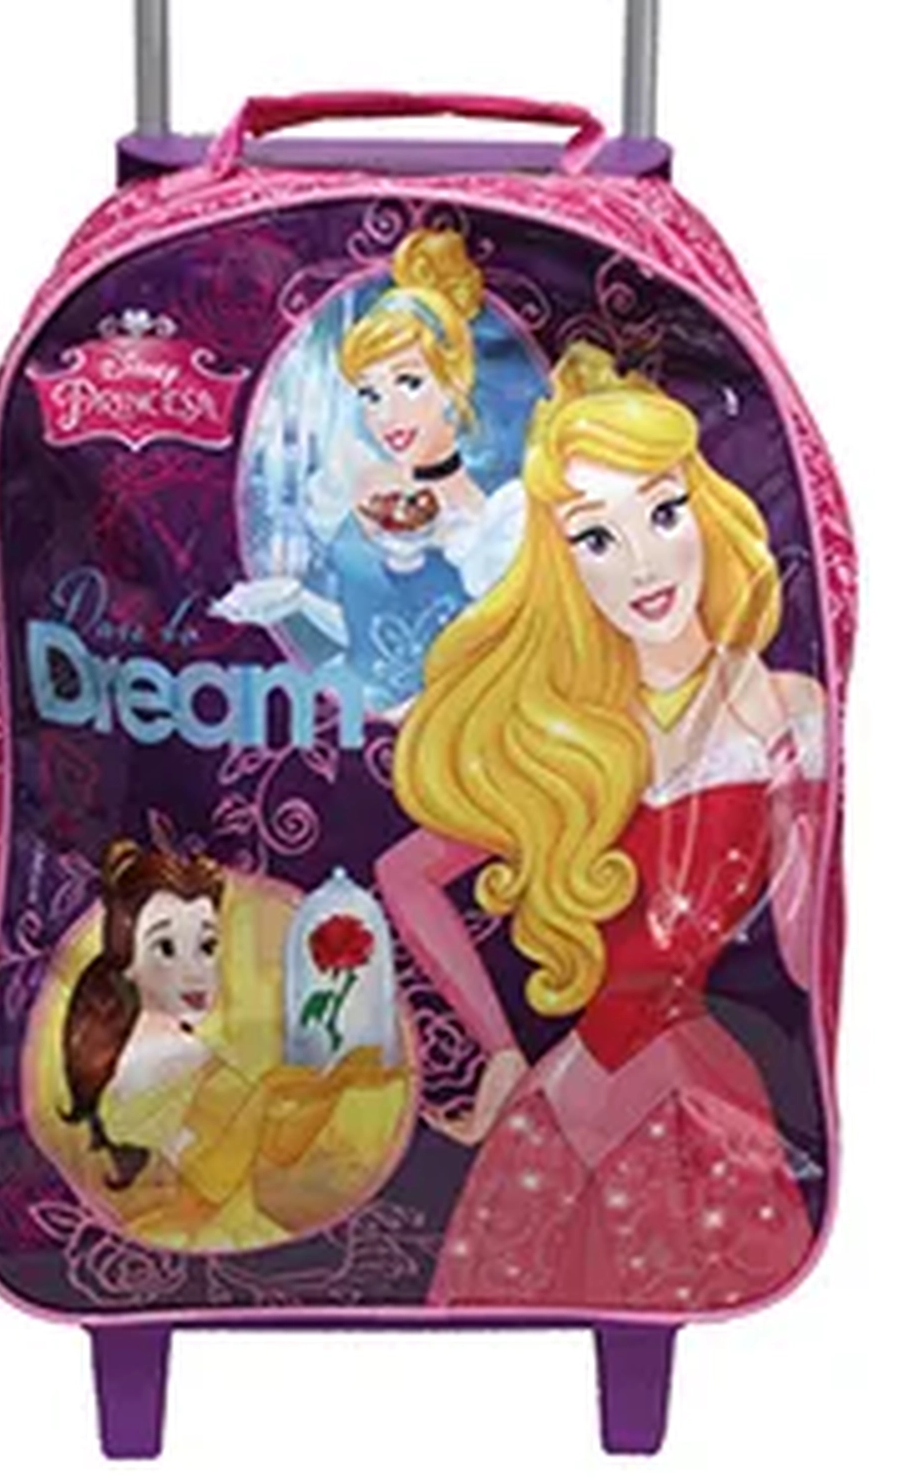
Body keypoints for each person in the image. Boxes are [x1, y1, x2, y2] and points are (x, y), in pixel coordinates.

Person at [378, 341, 828, 1312]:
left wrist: (793, 784)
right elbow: (406, 874)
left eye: (663, 513)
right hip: (568, 1100)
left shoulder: (786, 710)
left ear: (705, 510)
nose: (642, 564)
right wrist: (500, 1047)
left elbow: (804, 959)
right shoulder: (569, 737)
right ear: (560, 562)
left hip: (692, 1095)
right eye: (594, 537)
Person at [213, 229, 526, 714]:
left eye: (409, 382)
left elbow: (501, 659)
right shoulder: (369, 490)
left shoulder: (492, 522)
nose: (386, 413)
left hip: (444, 727)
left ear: (454, 384)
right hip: (349, 710)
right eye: (370, 393)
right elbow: (367, 629)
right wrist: (296, 602)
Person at [58, 838, 404, 1250]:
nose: (194, 972)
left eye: (206, 947)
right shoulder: (135, 1075)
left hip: (247, 1231)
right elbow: (214, 1178)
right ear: (126, 962)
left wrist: (333, 1085)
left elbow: (275, 1151)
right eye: (166, 948)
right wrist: (270, 1091)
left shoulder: (193, 1051)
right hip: (193, 1238)